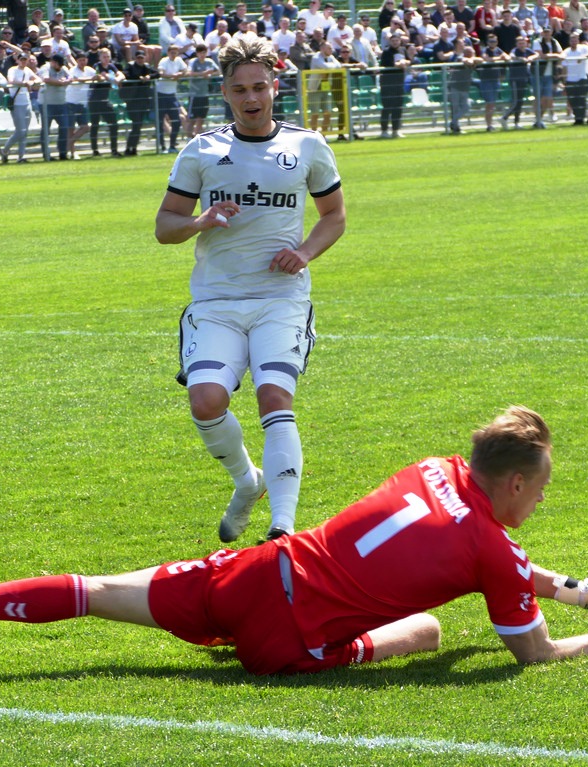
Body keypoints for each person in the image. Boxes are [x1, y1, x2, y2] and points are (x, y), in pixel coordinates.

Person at [0, 406, 588, 676]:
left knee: (92, 590)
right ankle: (329, 645)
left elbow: (510, 565)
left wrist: (583, 581)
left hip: (255, 571)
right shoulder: (492, 548)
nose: (543, 498)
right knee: (434, 630)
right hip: (288, 639)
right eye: (542, 486)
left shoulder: (433, 467)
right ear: (513, 483)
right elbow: (536, 655)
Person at [154, 36, 345, 543]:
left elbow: (334, 217)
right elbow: (164, 226)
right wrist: (201, 221)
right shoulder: (203, 150)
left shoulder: (307, 146)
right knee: (206, 401)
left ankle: (283, 529)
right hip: (215, 302)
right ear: (226, 92)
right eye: (240, 89)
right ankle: (248, 483)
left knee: (274, 395)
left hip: (280, 298)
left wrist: (303, 253)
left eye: (259, 86)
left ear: (274, 87)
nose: (251, 97)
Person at [2, 51, 41, 163]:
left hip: (26, 102)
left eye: (25, 60)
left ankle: (21, 156)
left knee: (25, 131)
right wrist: (24, 83)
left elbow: (37, 79)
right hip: (17, 103)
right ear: (17, 60)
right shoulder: (13, 70)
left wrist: (32, 83)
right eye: (21, 59)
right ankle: (5, 150)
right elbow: (11, 80)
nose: (23, 61)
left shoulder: (28, 70)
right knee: (20, 131)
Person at [88, 47, 123, 156]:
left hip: (105, 100)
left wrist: (117, 79)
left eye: (108, 56)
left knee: (114, 124)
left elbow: (121, 74)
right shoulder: (97, 66)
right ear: (100, 57)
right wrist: (110, 78)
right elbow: (100, 76)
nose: (106, 59)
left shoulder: (111, 66)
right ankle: (95, 150)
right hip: (94, 100)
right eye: (104, 57)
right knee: (95, 125)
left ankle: (114, 150)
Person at [121, 49, 156, 155]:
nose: (140, 60)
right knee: (136, 125)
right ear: (135, 58)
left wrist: (149, 76)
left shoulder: (147, 67)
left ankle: (133, 148)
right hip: (132, 101)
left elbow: (157, 73)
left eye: (142, 57)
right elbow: (126, 74)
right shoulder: (130, 66)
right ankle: (129, 148)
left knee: (138, 125)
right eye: (138, 58)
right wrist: (139, 78)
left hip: (143, 101)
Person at [157, 43, 188, 152]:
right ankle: (161, 146)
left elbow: (185, 70)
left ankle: (172, 145)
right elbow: (161, 73)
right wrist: (173, 76)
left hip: (172, 94)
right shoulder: (164, 61)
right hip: (161, 94)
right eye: (172, 52)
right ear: (168, 52)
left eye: (176, 52)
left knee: (177, 120)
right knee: (160, 121)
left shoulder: (179, 60)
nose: (174, 54)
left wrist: (179, 74)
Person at [378, 32, 408, 138]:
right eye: (393, 41)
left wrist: (406, 62)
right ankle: (384, 130)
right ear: (390, 42)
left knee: (397, 107)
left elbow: (409, 60)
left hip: (399, 83)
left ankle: (396, 130)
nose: (395, 43)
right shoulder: (386, 52)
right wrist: (399, 64)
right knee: (387, 107)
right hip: (387, 84)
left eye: (397, 40)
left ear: (400, 41)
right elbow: (388, 64)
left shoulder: (403, 50)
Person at [185, 43, 220, 136]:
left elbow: (218, 71)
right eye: (200, 53)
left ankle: (196, 137)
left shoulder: (209, 61)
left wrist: (210, 74)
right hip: (194, 94)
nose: (202, 55)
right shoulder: (193, 61)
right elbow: (188, 73)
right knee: (191, 119)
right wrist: (202, 73)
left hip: (204, 94)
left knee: (201, 118)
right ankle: (189, 138)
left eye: (204, 52)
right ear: (197, 53)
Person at [65, 50, 95, 158]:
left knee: (85, 127)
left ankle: (67, 145)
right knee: (70, 128)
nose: (82, 62)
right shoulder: (72, 70)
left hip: (83, 103)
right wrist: (91, 79)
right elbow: (75, 79)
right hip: (71, 101)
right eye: (80, 60)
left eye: (84, 60)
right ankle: (72, 153)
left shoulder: (90, 70)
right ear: (77, 61)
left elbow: (97, 77)